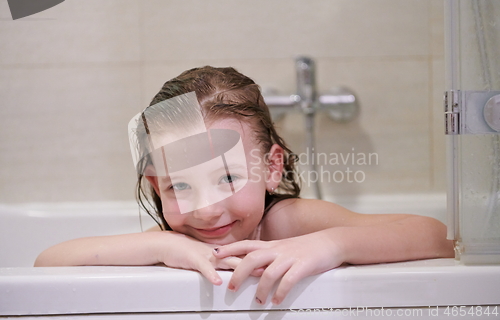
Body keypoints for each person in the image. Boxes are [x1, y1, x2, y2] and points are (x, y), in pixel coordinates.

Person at [35, 66, 454, 305]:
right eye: (178, 186)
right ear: (155, 187)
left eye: (228, 178)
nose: (205, 210)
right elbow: (47, 264)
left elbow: (437, 237)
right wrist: (160, 246)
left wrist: (331, 245)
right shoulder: (176, 237)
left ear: (272, 168)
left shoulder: (288, 223)